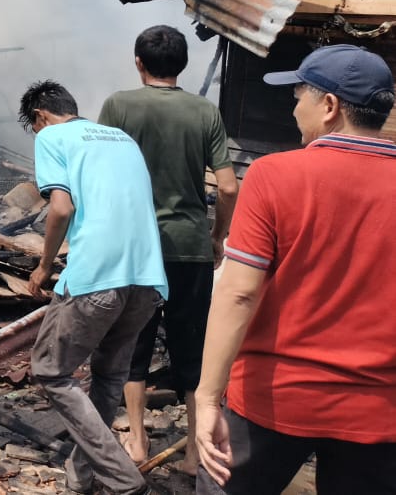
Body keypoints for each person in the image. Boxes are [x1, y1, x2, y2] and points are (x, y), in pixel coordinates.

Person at [195, 44, 396, 494]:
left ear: (329, 106)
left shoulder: (274, 176)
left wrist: (207, 398)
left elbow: (238, 293)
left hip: (274, 397)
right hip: (377, 411)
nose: (294, 110)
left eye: (298, 97)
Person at [97, 25, 239, 472]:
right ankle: (197, 454)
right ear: (182, 64)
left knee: (134, 345)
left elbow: (101, 175)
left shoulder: (119, 105)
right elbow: (230, 187)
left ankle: (138, 443)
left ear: (139, 62)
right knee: (191, 348)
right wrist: (217, 236)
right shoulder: (203, 112)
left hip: (136, 250)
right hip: (190, 249)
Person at [20, 80, 168, 495]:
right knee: (108, 377)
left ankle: (121, 477)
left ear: (40, 117)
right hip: (147, 278)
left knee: (50, 370)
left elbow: (61, 207)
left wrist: (44, 266)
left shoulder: (50, 135)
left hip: (96, 276)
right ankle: (81, 478)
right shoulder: (121, 138)